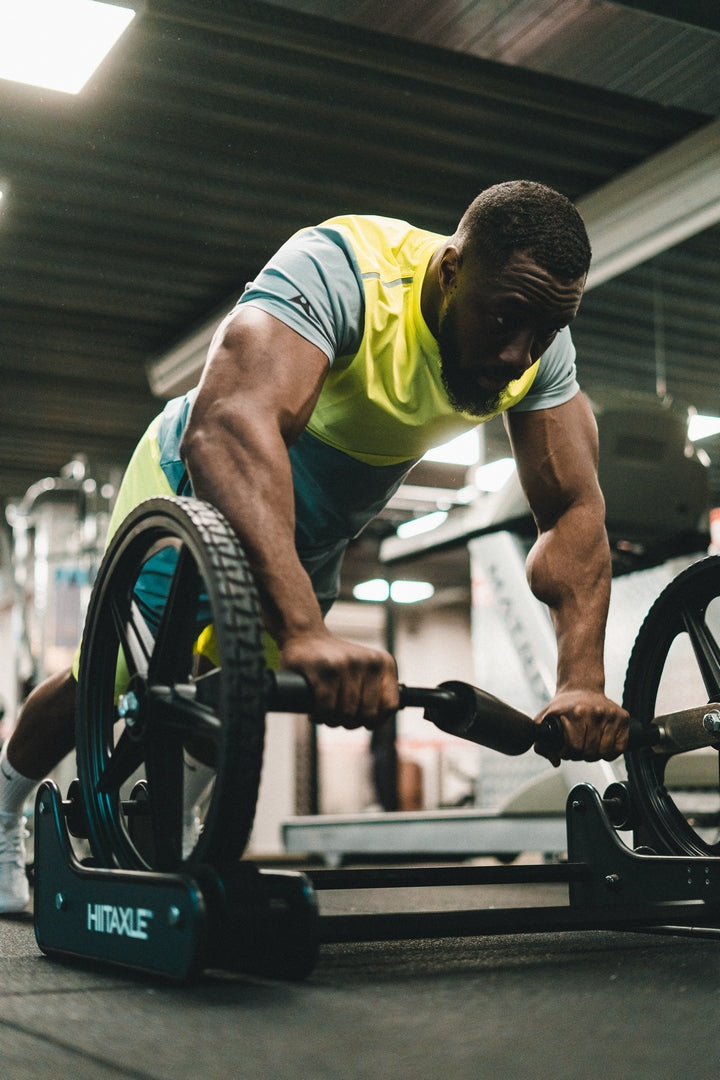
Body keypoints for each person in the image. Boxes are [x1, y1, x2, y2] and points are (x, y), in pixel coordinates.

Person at [0, 180, 629, 911]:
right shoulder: (342, 270)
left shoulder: (537, 343)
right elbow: (230, 424)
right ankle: (2, 805)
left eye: (545, 332)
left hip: (315, 528)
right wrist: (303, 627)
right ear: (452, 271)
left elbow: (574, 511)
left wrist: (582, 681)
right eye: (504, 318)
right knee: (105, 677)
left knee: (239, 692)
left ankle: (166, 832)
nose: (520, 353)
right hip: (194, 483)